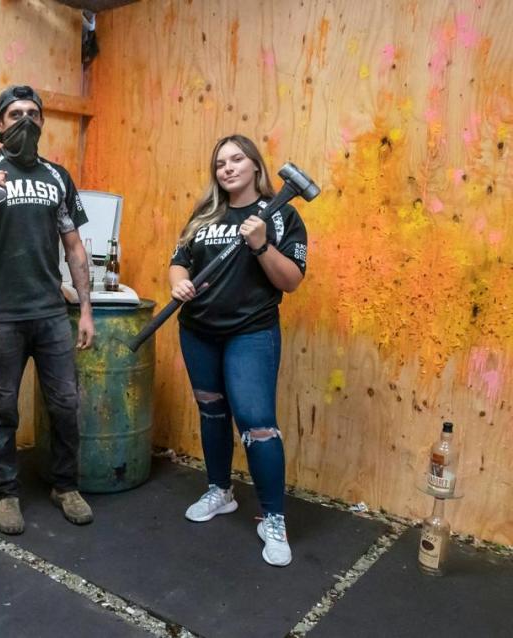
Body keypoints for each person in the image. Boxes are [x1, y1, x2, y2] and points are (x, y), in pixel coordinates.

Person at [0, 85, 95, 535]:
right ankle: (6, 494)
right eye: (15, 114)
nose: (25, 120)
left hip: (51, 313)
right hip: (2, 316)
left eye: (33, 113)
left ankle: (65, 485)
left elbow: (74, 246)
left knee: (66, 404)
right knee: (4, 409)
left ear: (42, 122)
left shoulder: (57, 176)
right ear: (0, 124)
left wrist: (84, 308)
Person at [168, 134, 308, 567]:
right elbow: (179, 260)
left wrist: (261, 244)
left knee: (257, 423)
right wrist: (177, 281)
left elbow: (291, 280)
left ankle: (273, 518)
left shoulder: (282, 214)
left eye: (236, 160)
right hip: (198, 330)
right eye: (220, 163)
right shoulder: (204, 215)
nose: (227, 168)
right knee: (211, 409)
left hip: (250, 332)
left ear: (255, 166)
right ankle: (220, 490)